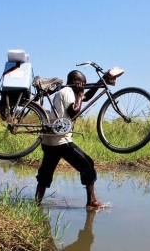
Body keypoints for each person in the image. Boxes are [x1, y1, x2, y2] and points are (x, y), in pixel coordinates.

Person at [34, 70, 103, 208]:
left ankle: (36, 203)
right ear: (74, 81)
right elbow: (74, 111)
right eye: (81, 84)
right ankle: (91, 201)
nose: (82, 87)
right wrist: (80, 94)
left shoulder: (66, 92)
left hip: (49, 140)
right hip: (61, 140)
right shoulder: (67, 92)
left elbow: (86, 97)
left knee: (46, 172)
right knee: (87, 165)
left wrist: (100, 83)